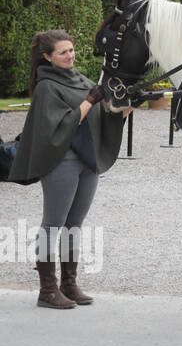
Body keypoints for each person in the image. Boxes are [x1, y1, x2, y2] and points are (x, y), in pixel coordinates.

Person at [9, 30, 129, 309]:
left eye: (72, 50)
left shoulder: (82, 80)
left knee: (74, 225)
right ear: (48, 57)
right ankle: (47, 290)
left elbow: (104, 115)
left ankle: (69, 284)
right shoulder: (46, 88)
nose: (70, 56)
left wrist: (129, 105)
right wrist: (90, 100)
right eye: (63, 52)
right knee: (53, 224)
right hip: (61, 161)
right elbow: (63, 125)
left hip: (88, 162)